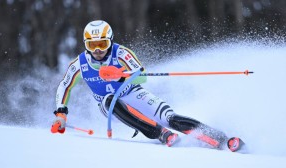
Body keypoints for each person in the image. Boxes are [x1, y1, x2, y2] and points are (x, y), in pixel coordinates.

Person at [51, 20, 242, 151]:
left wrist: (121, 76)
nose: (98, 50)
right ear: (86, 45)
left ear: (110, 41)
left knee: (171, 118)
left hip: (133, 92)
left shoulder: (121, 53)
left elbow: (141, 76)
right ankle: (160, 133)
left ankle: (224, 141)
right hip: (111, 106)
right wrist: (61, 115)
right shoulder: (80, 64)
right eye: (93, 45)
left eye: (102, 43)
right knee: (109, 100)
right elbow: (64, 86)